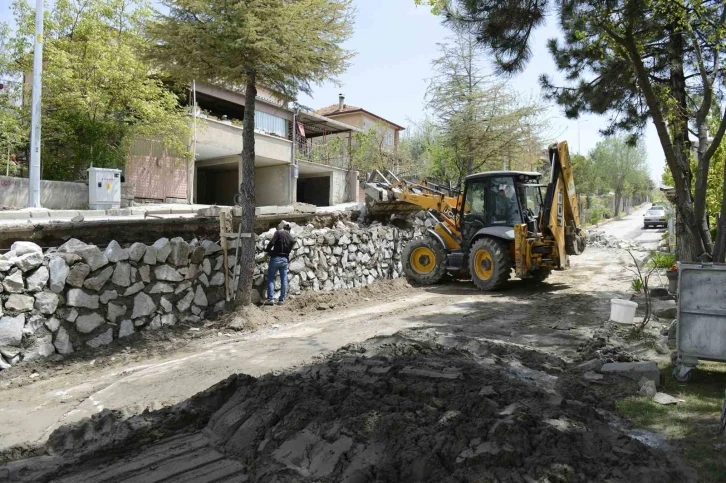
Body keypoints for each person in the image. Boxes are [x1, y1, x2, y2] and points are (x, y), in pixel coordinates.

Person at [264, 223, 295, 305]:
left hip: (275, 258)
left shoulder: (278, 233)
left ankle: (270, 299)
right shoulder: (292, 239)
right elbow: (289, 251)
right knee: (284, 280)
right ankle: (281, 300)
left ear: (283, 228)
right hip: (285, 260)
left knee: (271, 278)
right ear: (289, 230)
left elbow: (271, 243)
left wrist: (267, 251)